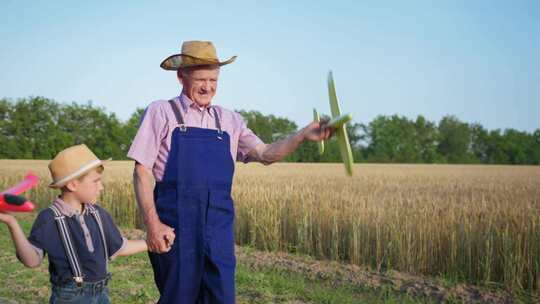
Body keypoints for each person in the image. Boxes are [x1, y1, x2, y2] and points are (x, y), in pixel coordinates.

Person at [128, 40, 333, 303]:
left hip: (218, 229)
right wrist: (152, 224)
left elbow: (266, 154)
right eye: (200, 79)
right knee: (178, 297)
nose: (207, 87)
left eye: (213, 79)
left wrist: (302, 135)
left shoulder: (229, 120)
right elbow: (141, 171)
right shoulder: (162, 112)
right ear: (181, 76)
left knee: (221, 297)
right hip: (176, 228)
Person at [0, 144, 148, 303]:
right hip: (70, 298)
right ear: (72, 185)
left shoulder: (99, 214)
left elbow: (121, 247)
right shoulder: (49, 218)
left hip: (102, 294)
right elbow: (32, 261)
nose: (102, 187)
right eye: (96, 181)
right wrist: (12, 222)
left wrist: (150, 243)